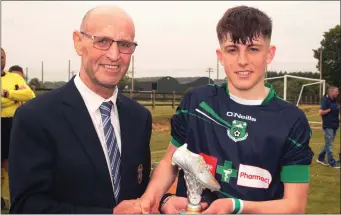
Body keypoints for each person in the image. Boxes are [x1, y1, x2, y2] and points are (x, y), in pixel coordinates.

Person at [141, 5, 314, 214]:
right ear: (220, 55)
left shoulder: (291, 121)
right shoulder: (197, 102)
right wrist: (151, 198)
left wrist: (236, 206)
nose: (242, 61)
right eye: (232, 50)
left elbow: (295, 206)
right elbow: (172, 159)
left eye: (253, 49)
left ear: (269, 54)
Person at [9, 5, 152, 214]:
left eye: (124, 44)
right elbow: (26, 206)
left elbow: (137, 190)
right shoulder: (35, 117)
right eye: (102, 41)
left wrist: (164, 201)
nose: (114, 55)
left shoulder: (139, 117)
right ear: (78, 42)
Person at [1, 48, 35, 209]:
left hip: (10, 122)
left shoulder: (14, 77)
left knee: (9, 161)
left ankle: (7, 199)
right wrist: (14, 98)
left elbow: (29, 95)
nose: (1, 60)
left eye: (2, 57)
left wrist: (7, 94)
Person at [316, 86, 340, 168]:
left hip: (334, 125)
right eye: (336, 91)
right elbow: (321, 112)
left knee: (328, 143)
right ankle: (332, 163)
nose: (338, 93)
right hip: (328, 125)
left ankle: (320, 158)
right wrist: (329, 110)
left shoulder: (334, 101)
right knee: (329, 145)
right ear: (331, 92)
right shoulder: (325, 100)